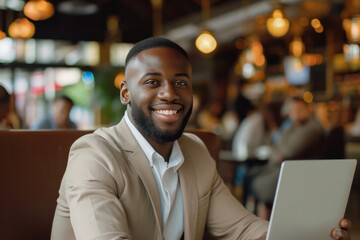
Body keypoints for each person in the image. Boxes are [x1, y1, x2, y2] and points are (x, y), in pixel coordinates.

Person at [50, 38, 351, 240]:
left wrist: (309, 235)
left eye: (180, 82)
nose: (169, 93)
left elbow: (243, 228)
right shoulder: (94, 155)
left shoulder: (194, 151)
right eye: (152, 82)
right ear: (126, 93)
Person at [252, 97, 325, 219]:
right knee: (253, 176)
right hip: (281, 168)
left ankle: (265, 226)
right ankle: (262, 226)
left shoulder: (312, 129)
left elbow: (286, 152)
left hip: (299, 173)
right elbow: (274, 146)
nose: (295, 112)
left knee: (260, 184)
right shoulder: (290, 127)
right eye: (293, 109)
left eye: (299, 109)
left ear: (308, 110)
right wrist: (276, 152)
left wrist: (276, 151)